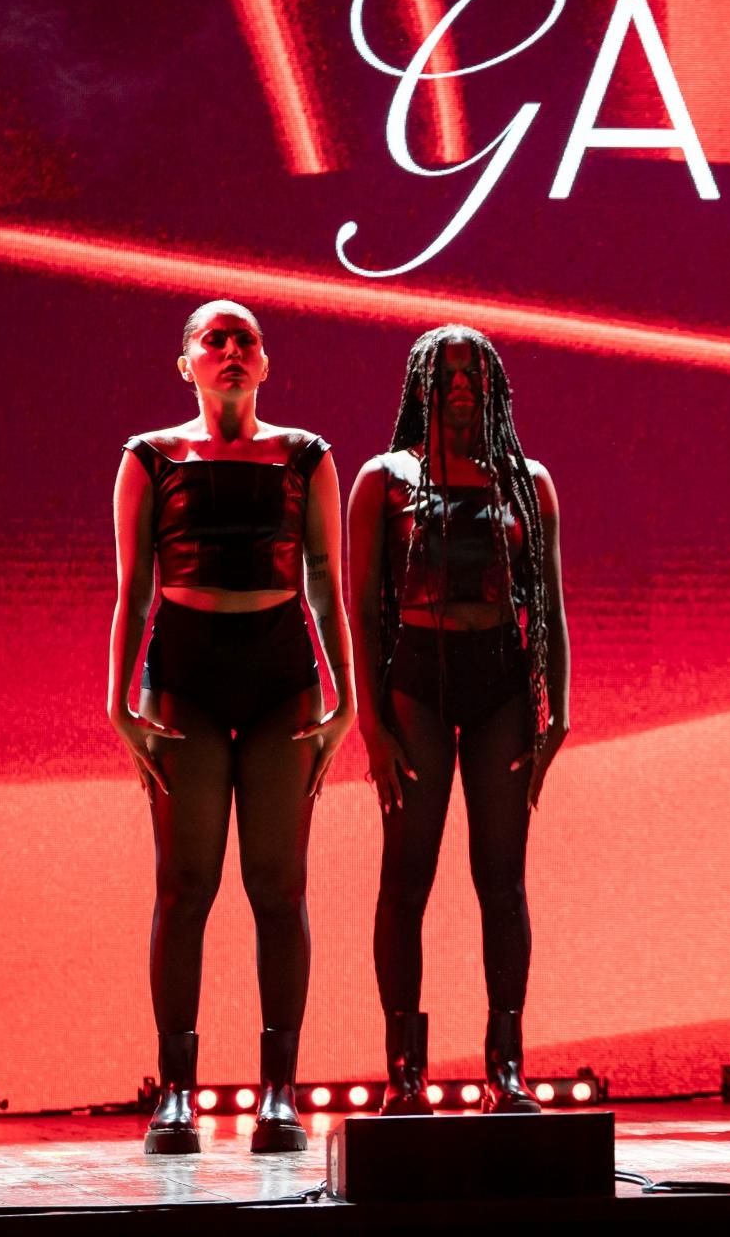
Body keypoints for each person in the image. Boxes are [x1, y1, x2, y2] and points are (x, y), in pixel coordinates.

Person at [108, 300, 354, 1154]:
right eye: (213, 339)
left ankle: (279, 1094)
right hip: (186, 677)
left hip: (282, 676)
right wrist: (118, 702)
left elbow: (325, 579)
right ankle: (176, 1094)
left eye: (245, 338)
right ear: (187, 363)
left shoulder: (306, 454)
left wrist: (345, 698)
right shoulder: (149, 455)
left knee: (279, 887)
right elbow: (133, 587)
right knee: (185, 886)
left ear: (266, 362)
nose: (231, 349)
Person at [347, 326, 569, 1115]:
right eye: (447, 372)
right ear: (421, 385)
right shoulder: (382, 479)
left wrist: (558, 711)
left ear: (496, 384)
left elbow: (551, 607)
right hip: (415, 682)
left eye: (476, 371)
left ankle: (505, 1069)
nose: (463, 384)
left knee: (501, 879)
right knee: (406, 876)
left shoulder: (527, 481)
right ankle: (405, 1072)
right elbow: (360, 610)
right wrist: (371, 724)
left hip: (502, 681)